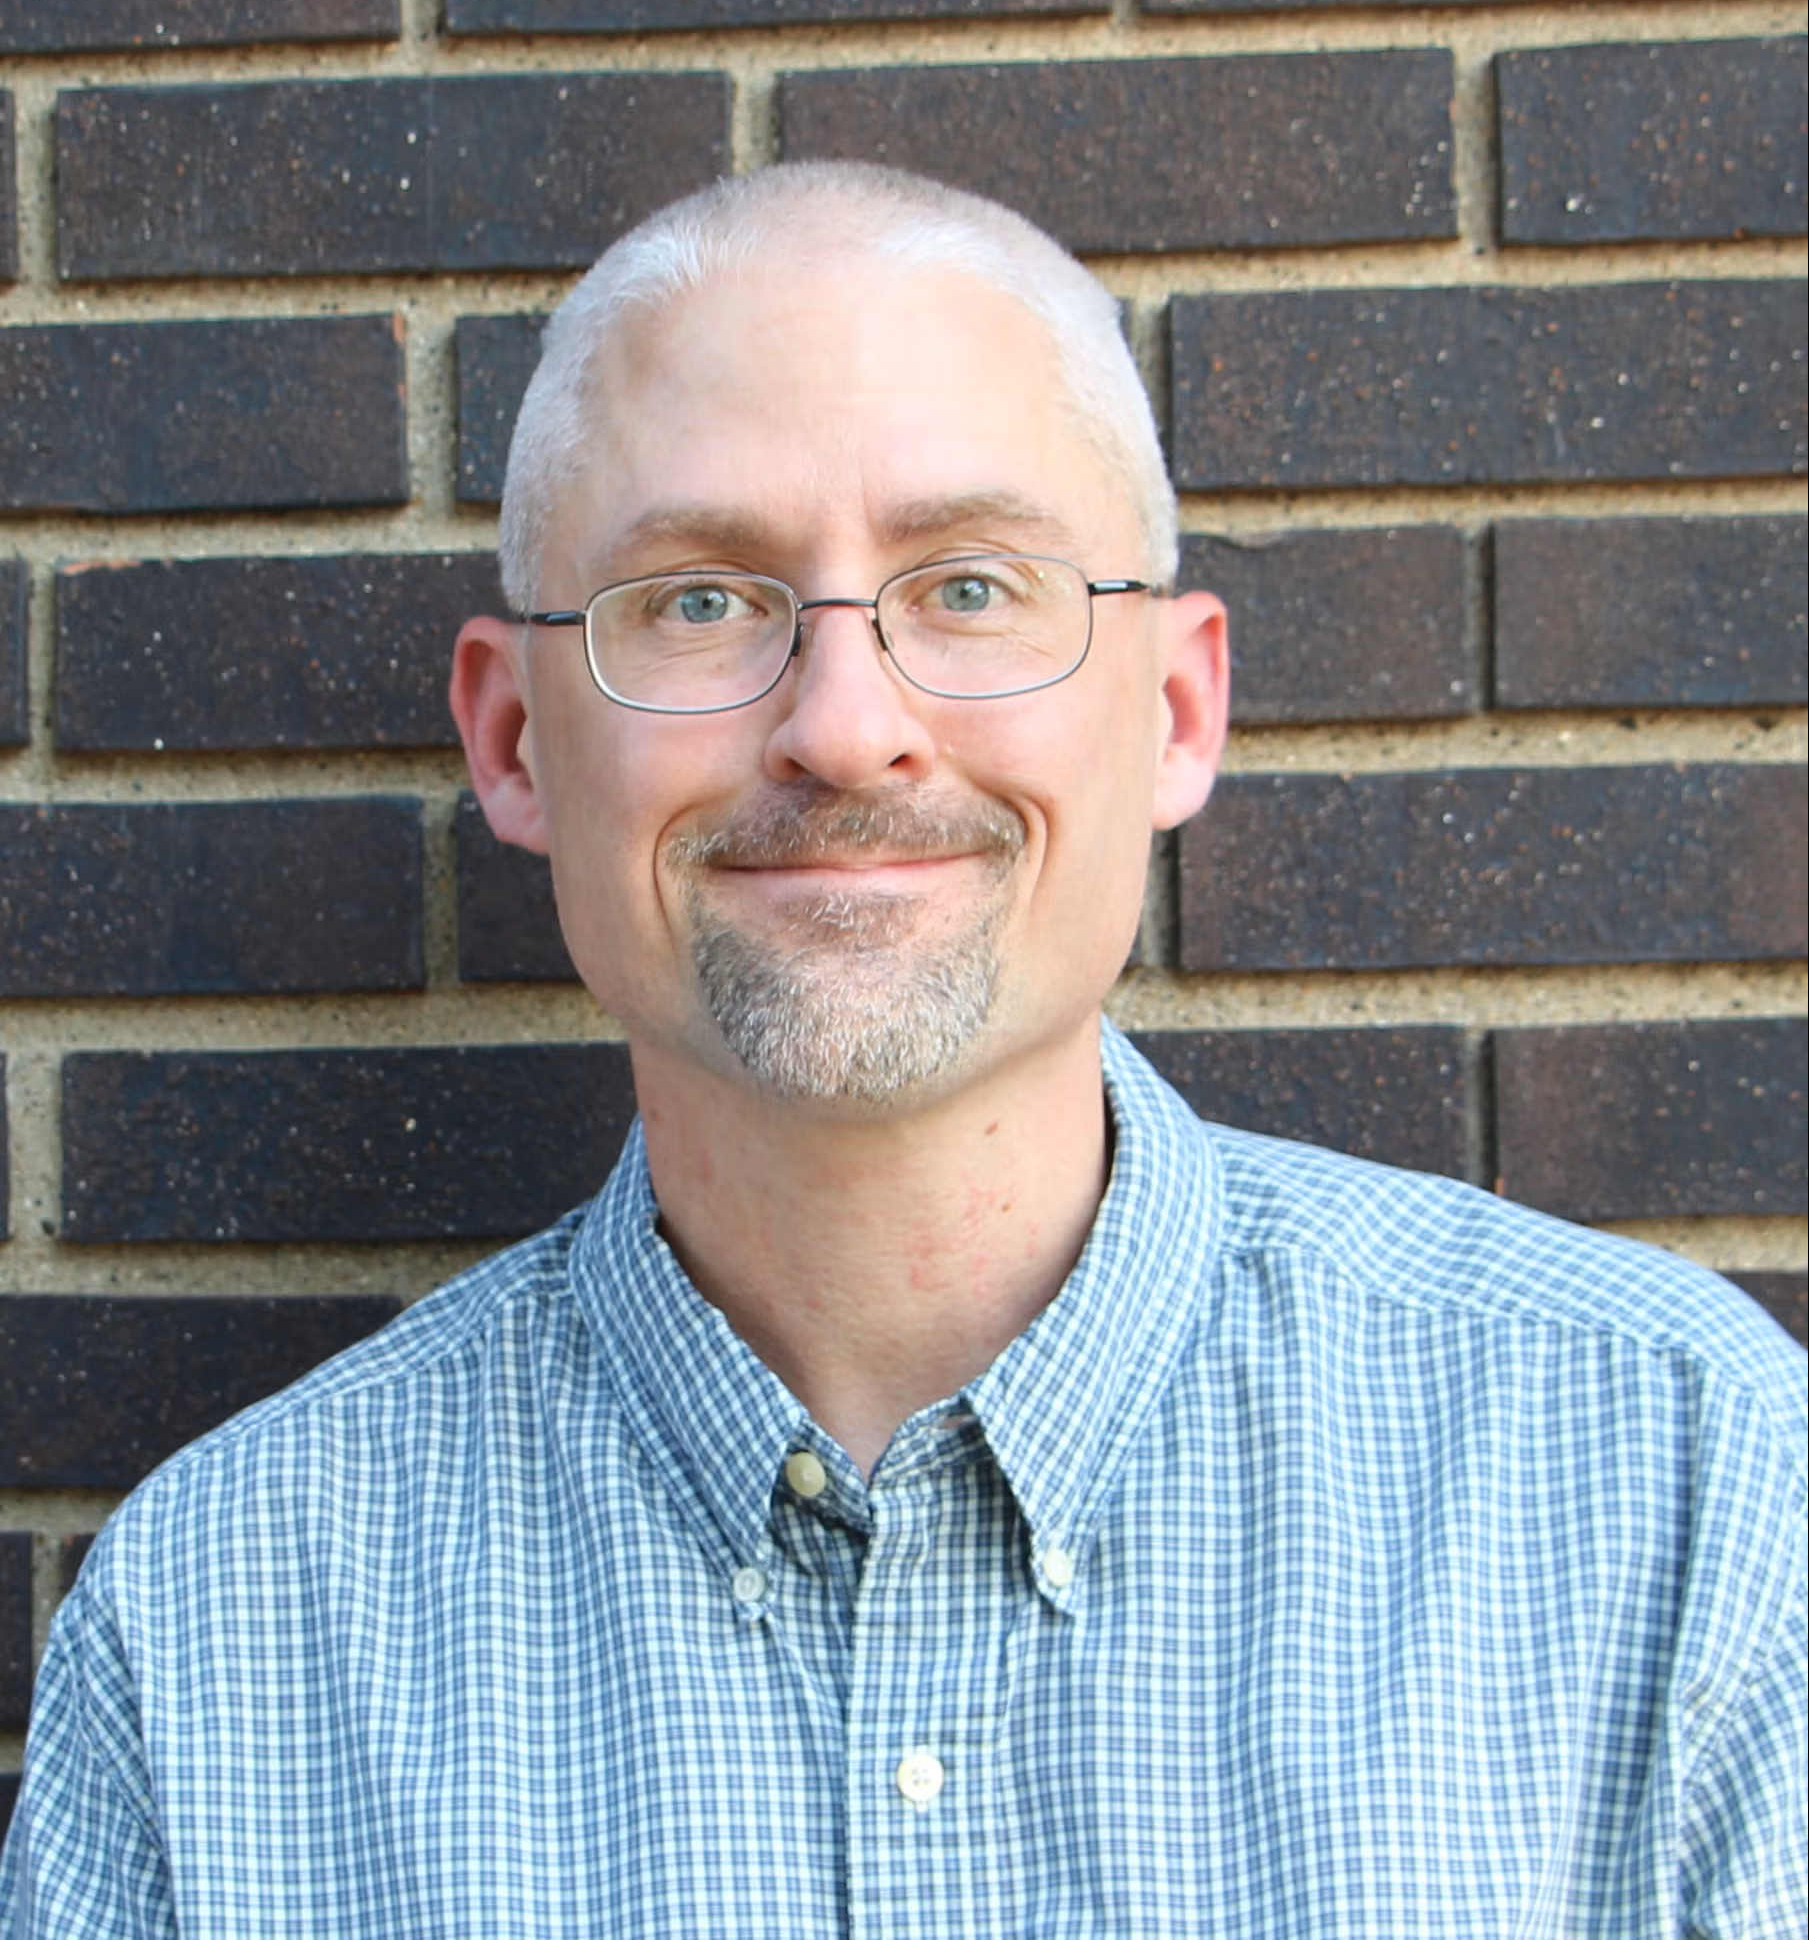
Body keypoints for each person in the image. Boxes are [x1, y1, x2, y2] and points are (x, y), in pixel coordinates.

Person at [2, 162, 1801, 1937]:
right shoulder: (218, 1649)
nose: (847, 726)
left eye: (973, 586)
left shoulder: (1683, 1493)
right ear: (516, 741)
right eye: (700, 599)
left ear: (1177, 708)